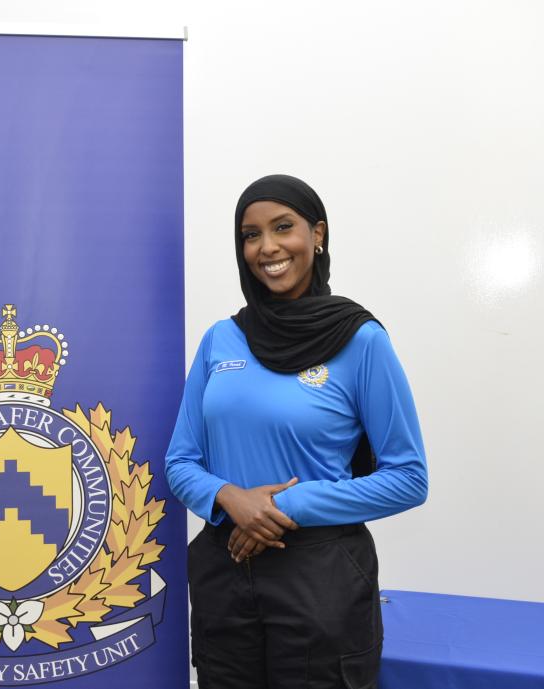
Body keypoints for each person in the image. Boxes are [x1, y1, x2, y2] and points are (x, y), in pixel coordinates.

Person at [165, 174, 428, 689]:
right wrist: (228, 498)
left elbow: (408, 478)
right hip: (224, 567)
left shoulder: (360, 340)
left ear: (318, 234)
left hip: (319, 574)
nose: (267, 247)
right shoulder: (222, 339)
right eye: (250, 234)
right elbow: (180, 461)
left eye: (283, 227)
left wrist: (283, 507)